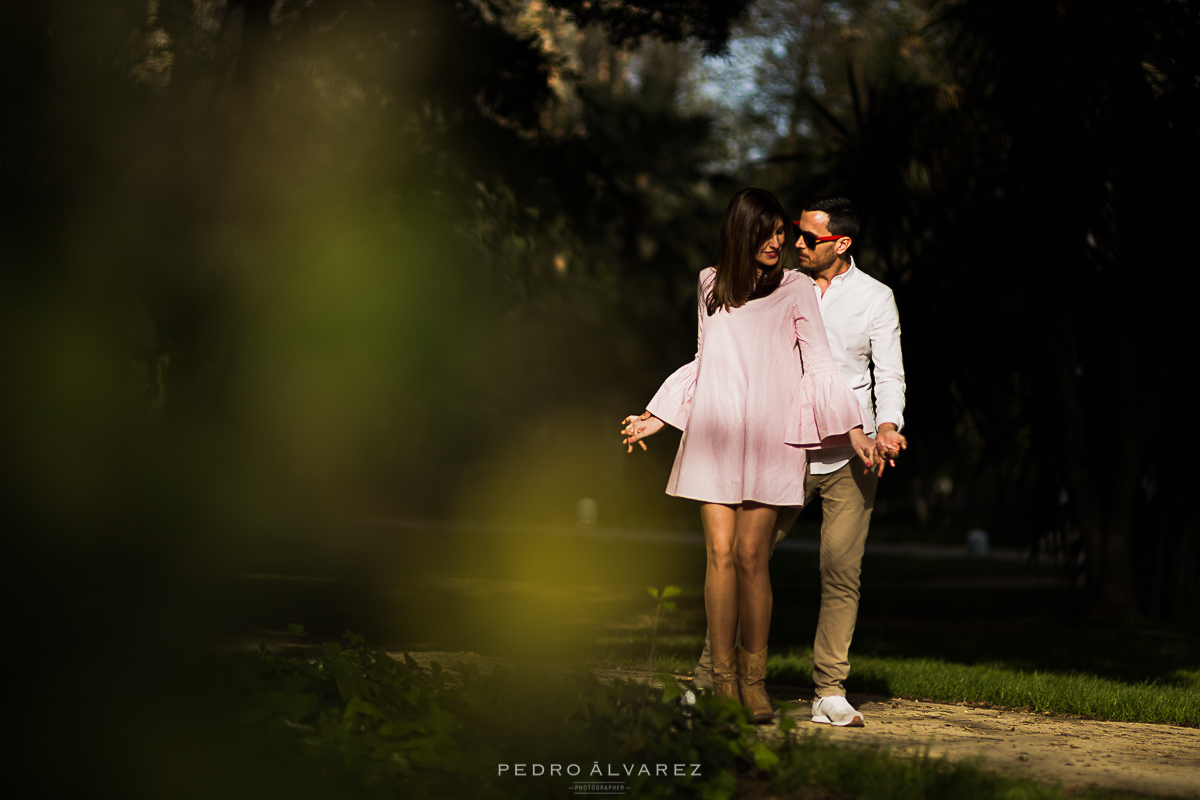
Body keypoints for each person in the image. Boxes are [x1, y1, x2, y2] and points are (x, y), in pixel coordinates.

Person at [621, 188, 875, 724]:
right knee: (718, 556)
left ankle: (754, 683)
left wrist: (853, 427)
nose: (778, 242)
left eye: (783, 233)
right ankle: (723, 682)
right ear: (742, 231)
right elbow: (702, 359)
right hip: (714, 438)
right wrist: (656, 417)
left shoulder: (797, 288)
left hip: (770, 439)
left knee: (751, 558)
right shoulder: (710, 284)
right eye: (768, 232)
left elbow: (822, 366)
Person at [689, 196, 906, 728]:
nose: (797, 243)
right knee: (742, 560)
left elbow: (888, 374)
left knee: (840, 571)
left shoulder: (876, 298)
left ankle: (829, 689)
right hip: (781, 448)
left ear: (842, 243)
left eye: (809, 238)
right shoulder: (775, 284)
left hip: (848, 453)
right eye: (795, 234)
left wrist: (885, 428)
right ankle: (709, 678)